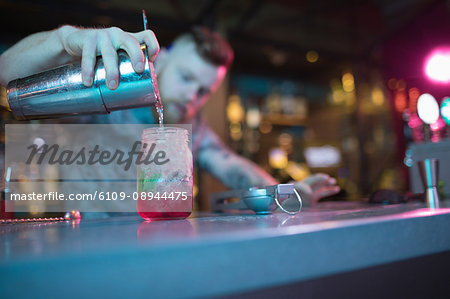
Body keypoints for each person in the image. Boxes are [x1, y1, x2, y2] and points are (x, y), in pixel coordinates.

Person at [0, 25, 340, 207]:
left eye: (204, 90)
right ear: (159, 62)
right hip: (83, 246)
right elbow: (4, 75)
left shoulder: (191, 126)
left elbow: (232, 166)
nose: (193, 96)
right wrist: (64, 39)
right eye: (187, 79)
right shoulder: (107, 100)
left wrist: (286, 193)